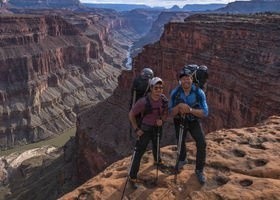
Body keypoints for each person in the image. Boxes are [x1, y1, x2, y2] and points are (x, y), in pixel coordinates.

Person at [169, 67, 209, 185]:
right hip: (179, 120)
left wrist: (190, 110)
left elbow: (205, 112)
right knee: (180, 141)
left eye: (188, 79)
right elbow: (170, 112)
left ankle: (199, 170)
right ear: (180, 81)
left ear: (192, 79)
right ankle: (182, 159)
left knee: (201, 143)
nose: (186, 81)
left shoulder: (198, 92)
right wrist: (179, 107)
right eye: (183, 79)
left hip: (193, 121)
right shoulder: (175, 92)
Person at [128, 77, 168, 187]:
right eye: (156, 87)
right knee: (139, 152)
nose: (159, 90)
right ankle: (132, 176)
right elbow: (131, 114)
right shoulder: (143, 102)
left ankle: (158, 161)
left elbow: (165, 112)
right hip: (145, 129)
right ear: (151, 88)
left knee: (157, 145)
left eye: (161, 87)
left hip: (157, 128)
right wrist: (136, 129)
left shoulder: (163, 99)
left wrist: (162, 120)